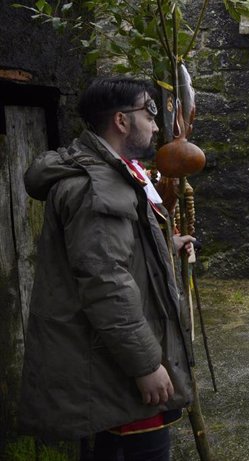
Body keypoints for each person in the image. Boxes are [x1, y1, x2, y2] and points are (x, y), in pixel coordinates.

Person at [19, 77, 194, 460]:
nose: (154, 123)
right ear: (121, 120)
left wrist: (164, 247)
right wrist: (147, 364)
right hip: (113, 375)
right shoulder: (99, 185)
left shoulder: (115, 175)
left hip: (111, 364)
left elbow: (117, 254)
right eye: (149, 111)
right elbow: (106, 282)